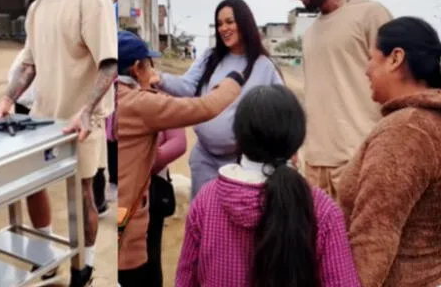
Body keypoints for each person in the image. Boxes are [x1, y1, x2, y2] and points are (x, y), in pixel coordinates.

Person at [0, 0, 117, 285]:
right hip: (43, 119)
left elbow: (108, 65)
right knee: (34, 185)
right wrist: (8, 97)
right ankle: (46, 257)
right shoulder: (36, 9)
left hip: (82, 120)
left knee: (82, 197)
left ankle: (86, 266)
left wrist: (86, 110)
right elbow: (29, 64)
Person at [176, 85, 361, 287]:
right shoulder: (322, 210)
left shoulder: (207, 200)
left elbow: (185, 279)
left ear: (239, 137)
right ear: (297, 138)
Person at [117, 30, 245, 285]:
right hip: (128, 223)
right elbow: (206, 107)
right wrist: (234, 79)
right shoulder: (139, 103)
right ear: (135, 68)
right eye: (148, 65)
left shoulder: (102, 97)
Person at [274, 0, 393, 199]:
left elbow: (399, 86)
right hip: (315, 166)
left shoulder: (370, 14)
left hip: (360, 160)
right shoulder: (310, 34)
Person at [338, 17, 441, 287]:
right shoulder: (429, 121)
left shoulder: (406, 131)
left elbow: (374, 237)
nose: (366, 70)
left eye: (372, 58)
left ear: (395, 58)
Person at [151, 0, 284, 199]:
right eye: (220, 23)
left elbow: (282, 110)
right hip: (204, 159)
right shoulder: (209, 57)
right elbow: (186, 86)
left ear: (244, 22)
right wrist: (159, 79)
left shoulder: (264, 66)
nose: (224, 28)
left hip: (242, 163)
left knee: (232, 221)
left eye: (230, 22)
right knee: (203, 216)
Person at [147, 128, 186, 287]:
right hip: (125, 190)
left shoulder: (161, 103)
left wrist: (144, 157)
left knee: (151, 251)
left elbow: (179, 142)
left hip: (153, 187)